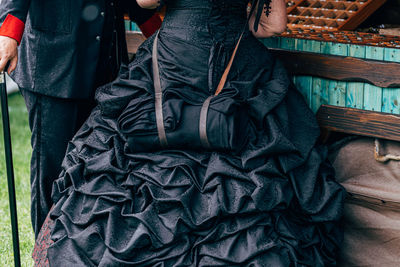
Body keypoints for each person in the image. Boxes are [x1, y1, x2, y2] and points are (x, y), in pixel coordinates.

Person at [35, 0, 346, 265]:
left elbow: (146, 1)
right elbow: (273, 25)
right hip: (240, 64)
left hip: (175, 58)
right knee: (242, 162)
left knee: (134, 160)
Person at [0, 0, 162, 237]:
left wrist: (157, 31)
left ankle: (80, 248)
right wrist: (9, 33)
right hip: (54, 65)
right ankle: (47, 253)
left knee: (98, 170)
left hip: (105, 67)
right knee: (53, 172)